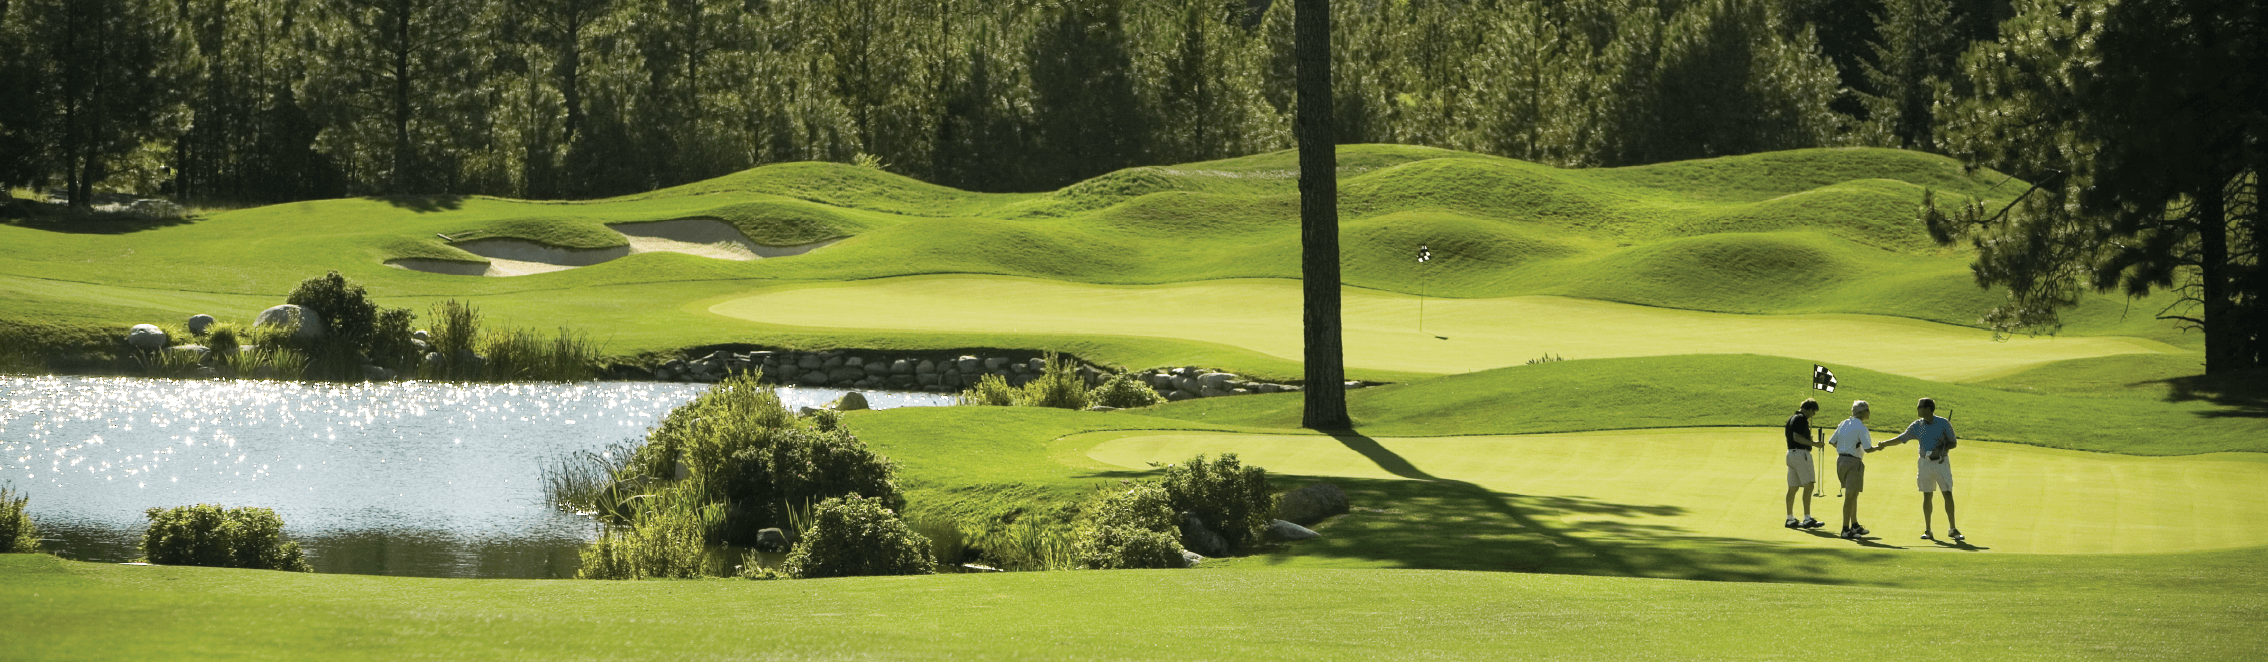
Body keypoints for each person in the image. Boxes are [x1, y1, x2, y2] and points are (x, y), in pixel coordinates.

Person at [1880, 397, 1962, 542]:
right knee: (1927, 495)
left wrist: (1941, 448)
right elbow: (1901, 438)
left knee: (1947, 493)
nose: (1917, 409)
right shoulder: (1917, 425)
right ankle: (1928, 530)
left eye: (1920, 407)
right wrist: (1884, 444)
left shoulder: (1943, 423)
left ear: (1928, 409)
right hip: (1924, 463)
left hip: (1941, 463)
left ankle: (1953, 528)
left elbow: (1953, 443)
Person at [1827, 400, 1883, 539]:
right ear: (1862, 412)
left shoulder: (1843, 423)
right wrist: (1879, 447)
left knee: (1853, 495)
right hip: (1853, 462)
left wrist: (1845, 449)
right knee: (1850, 497)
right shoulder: (1861, 427)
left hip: (1840, 461)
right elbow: (1869, 449)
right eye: (1867, 410)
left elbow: (1832, 441)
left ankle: (1855, 525)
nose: (1869, 413)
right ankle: (1846, 529)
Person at [1783, 398, 1827, 529]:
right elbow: (1797, 437)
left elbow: (1795, 437)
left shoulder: (1792, 418)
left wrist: (1808, 439)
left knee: (1793, 487)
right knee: (1809, 485)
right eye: (1814, 413)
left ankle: (1790, 518)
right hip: (1801, 455)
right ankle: (1807, 518)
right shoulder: (1801, 418)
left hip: (1791, 454)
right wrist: (1814, 443)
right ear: (1810, 410)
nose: (1813, 416)